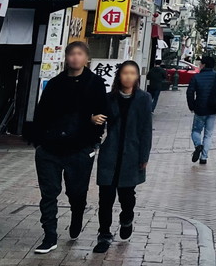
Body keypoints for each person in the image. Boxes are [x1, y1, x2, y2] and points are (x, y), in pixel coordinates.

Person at [29, 40, 109, 254]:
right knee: (49, 193)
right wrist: (39, 141)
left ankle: (77, 214)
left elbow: (102, 114)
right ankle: (50, 236)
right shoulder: (55, 83)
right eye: (71, 53)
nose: (75, 57)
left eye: (80, 53)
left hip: (80, 149)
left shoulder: (95, 83)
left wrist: (92, 130)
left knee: (76, 192)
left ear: (87, 58)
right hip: (50, 148)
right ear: (66, 57)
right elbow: (42, 113)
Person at [93, 61, 152, 253]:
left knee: (127, 195)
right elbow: (97, 123)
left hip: (132, 154)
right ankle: (104, 234)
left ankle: (127, 218)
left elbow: (146, 130)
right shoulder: (108, 98)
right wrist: (93, 119)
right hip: (110, 153)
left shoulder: (144, 98)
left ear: (137, 77)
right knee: (105, 197)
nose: (128, 77)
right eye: (125, 73)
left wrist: (144, 155)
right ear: (119, 76)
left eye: (132, 73)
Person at [185, 55, 216, 165]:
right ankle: (204, 157)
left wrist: (192, 106)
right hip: (213, 109)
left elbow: (190, 92)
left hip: (200, 108)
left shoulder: (196, 77)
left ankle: (198, 145)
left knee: (196, 131)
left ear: (203, 65)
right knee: (208, 134)